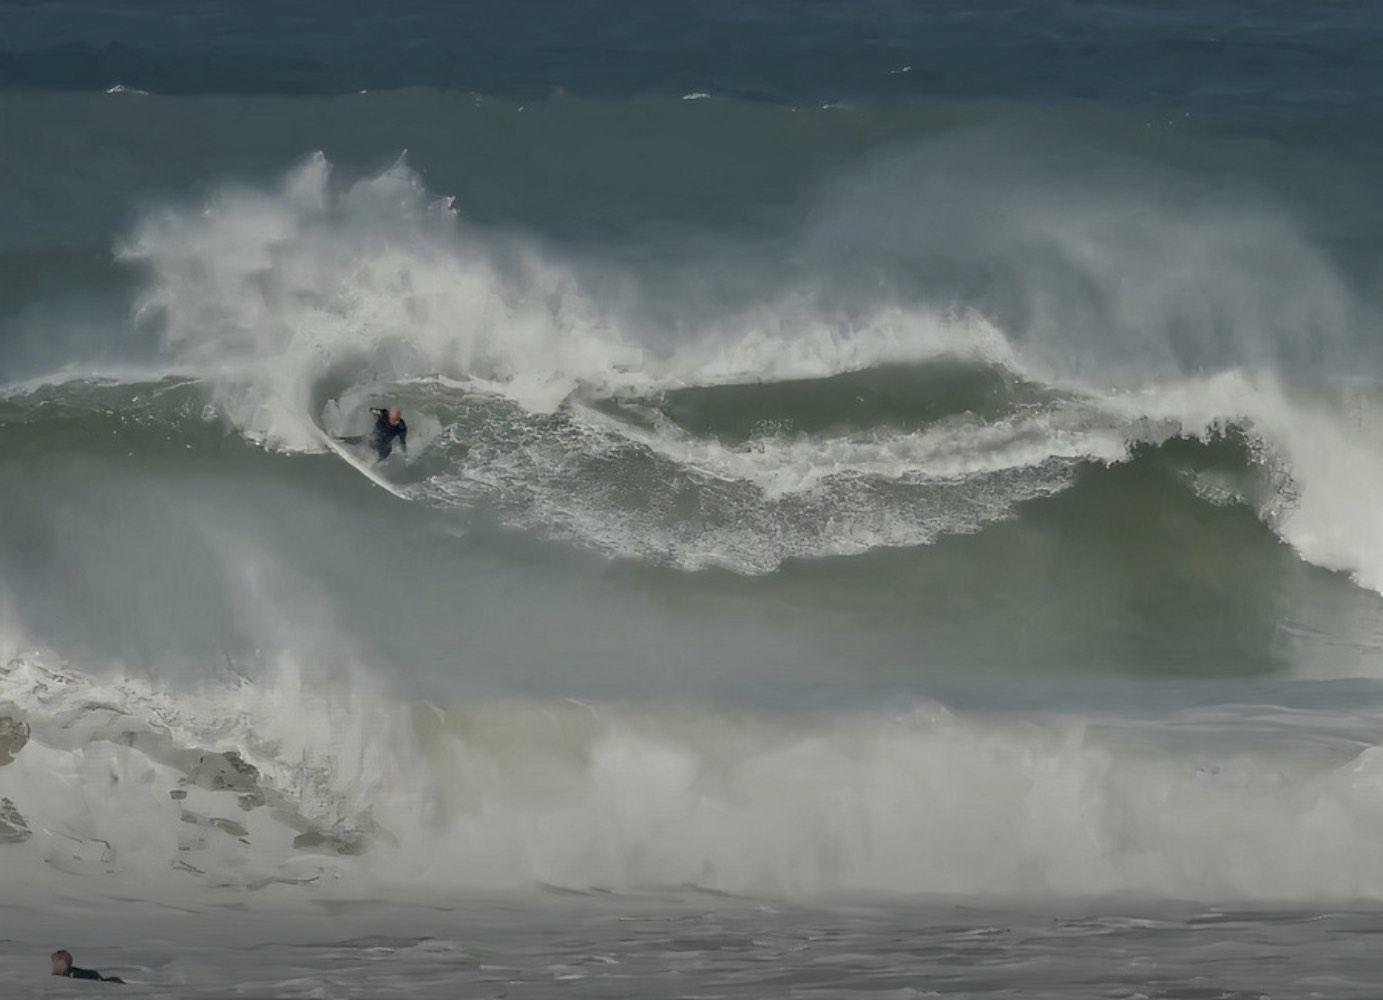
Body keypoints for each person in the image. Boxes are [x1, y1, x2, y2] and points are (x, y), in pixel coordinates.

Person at [338, 405, 408, 462]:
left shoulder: (401, 427)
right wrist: (373, 411)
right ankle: (337, 440)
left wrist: (405, 454)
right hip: (373, 438)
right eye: (392, 419)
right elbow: (372, 410)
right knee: (362, 440)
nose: (394, 421)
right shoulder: (383, 414)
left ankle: (370, 464)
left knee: (387, 451)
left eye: (396, 419)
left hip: (384, 445)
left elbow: (402, 441)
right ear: (389, 415)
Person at [51, 950, 125, 983]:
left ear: (61, 961)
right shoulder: (61, 975)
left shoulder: (74, 974)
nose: (53, 965)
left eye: (54, 962)